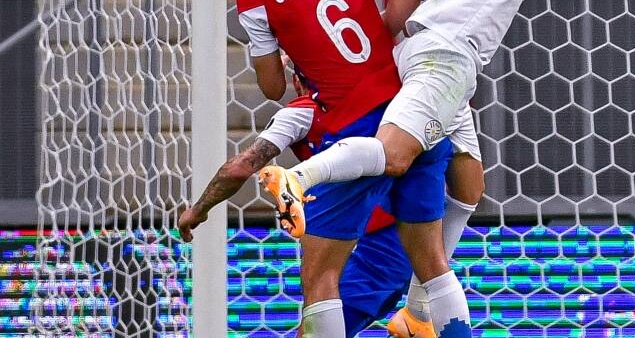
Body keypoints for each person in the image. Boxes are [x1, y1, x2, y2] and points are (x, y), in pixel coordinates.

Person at [255, 0, 635, 335]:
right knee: (395, 155)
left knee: (468, 186)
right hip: (447, 58)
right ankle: (299, 179)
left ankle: (418, 312)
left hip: (420, 46)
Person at [225, 0, 469, 338]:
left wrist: (292, 58)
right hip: (411, 106)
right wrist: (378, 34)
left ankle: (299, 178)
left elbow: (273, 87)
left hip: (354, 126)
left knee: (321, 279)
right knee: (433, 264)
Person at [178, 87, 475, 337]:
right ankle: (418, 312)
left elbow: (242, 165)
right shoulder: (396, 93)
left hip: (374, 232)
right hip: (386, 228)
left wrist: (199, 210)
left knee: (322, 297)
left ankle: (298, 178)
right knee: (432, 266)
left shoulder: (303, 111)